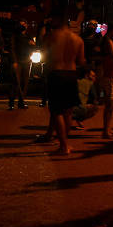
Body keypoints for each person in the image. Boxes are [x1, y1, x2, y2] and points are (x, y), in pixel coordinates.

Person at [45, 9, 85, 155]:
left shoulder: (51, 36)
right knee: (68, 111)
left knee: (56, 111)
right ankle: (65, 142)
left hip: (56, 73)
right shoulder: (78, 39)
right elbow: (81, 61)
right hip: (71, 74)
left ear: (58, 20)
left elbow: (44, 54)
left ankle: (63, 145)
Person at [9, 20, 35, 109]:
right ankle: (11, 103)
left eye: (25, 24)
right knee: (15, 82)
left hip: (27, 61)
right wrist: (14, 61)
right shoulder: (15, 35)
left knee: (24, 83)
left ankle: (21, 102)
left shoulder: (28, 36)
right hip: (18, 61)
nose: (24, 26)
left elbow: (34, 46)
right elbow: (12, 48)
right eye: (21, 24)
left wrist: (32, 44)